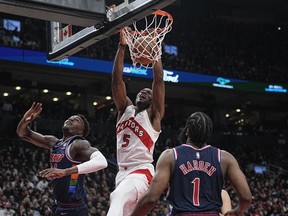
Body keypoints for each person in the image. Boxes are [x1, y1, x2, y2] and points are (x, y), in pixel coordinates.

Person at [130, 112, 252, 216]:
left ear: (188, 130)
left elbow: (151, 199)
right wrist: (237, 211)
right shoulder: (225, 157)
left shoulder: (170, 155)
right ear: (209, 134)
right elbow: (246, 198)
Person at [107, 31, 165, 216]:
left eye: (148, 93)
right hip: (121, 173)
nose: (143, 92)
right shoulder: (125, 109)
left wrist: (155, 54)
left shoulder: (154, 116)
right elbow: (116, 80)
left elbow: (159, 81)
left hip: (141, 172)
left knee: (117, 197)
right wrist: (122, 46)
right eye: (141, 91)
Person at [16, 102, 108, 216]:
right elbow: (23, 133)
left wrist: (65, 172)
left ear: (80, 132)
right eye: (70, 117)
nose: (71, 119)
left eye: (76, 120)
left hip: (74, 208)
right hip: (57, 205)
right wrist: (26, 120)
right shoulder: (53, 142)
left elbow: (102, 162)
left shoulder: (78, 144)